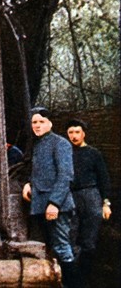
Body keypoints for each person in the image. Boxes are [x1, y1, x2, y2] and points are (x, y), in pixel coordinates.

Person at [22, 107, 78, 288]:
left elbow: (65, 175)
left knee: (62, 248)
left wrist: (54, 203)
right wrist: (29, 183)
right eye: (34, 122)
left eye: (41, 122)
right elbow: (41, 172)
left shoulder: (60, 143)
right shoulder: (38, 145)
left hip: (56, 207)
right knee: (47, 249)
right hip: (39, 205)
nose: (37, 126)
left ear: (50, 123)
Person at [66, 118, 112, 285]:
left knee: (89, 240)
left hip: (91, 195)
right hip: (71, 197)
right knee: (70, 236)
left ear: (83, 133)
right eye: (70, 133)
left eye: (77, 132)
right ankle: (72, 279)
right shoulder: (65, 153)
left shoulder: (94, 153)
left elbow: (104, 179)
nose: (74, 136)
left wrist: (106, 203)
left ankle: (87, 278)